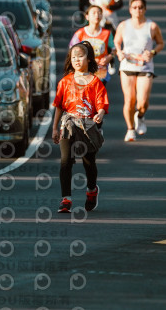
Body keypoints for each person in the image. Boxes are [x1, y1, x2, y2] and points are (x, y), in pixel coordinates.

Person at [52, 41, 109, 213]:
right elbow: (59, 106)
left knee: (88, 162)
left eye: (80, 56)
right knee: (65, 161)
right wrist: (54, 128)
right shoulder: (65, 82)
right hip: (68, 123)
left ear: (88, 59)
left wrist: (100, 114)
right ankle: (66, 199)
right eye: (73, 57)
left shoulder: (95, 82)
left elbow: (101, 104)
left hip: (88, 125)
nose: (77, 60)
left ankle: (92, 190)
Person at [114, 0, 164, 142]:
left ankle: (140, 116)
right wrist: (119, 52)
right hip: (127, 65)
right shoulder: (123, 25)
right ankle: (130, 129)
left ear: (145, 9)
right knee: (129, 99)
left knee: (142, 102)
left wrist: (152, 52)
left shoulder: (152, 26)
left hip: (145, 66)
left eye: (140, 7)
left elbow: (160, 43)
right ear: (130, 10)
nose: (138, 10)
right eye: (134, 7)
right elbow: (116, 41)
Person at [68, 5, 115, 86]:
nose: (97, 15)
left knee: (98, 93)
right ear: (87, 17)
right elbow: (72, 51)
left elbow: (114, 49)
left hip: (100, 72)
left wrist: (109, 57)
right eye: (93, 13)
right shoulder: (80, 33)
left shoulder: (107, 33)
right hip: (83, 72)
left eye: (99, 13)